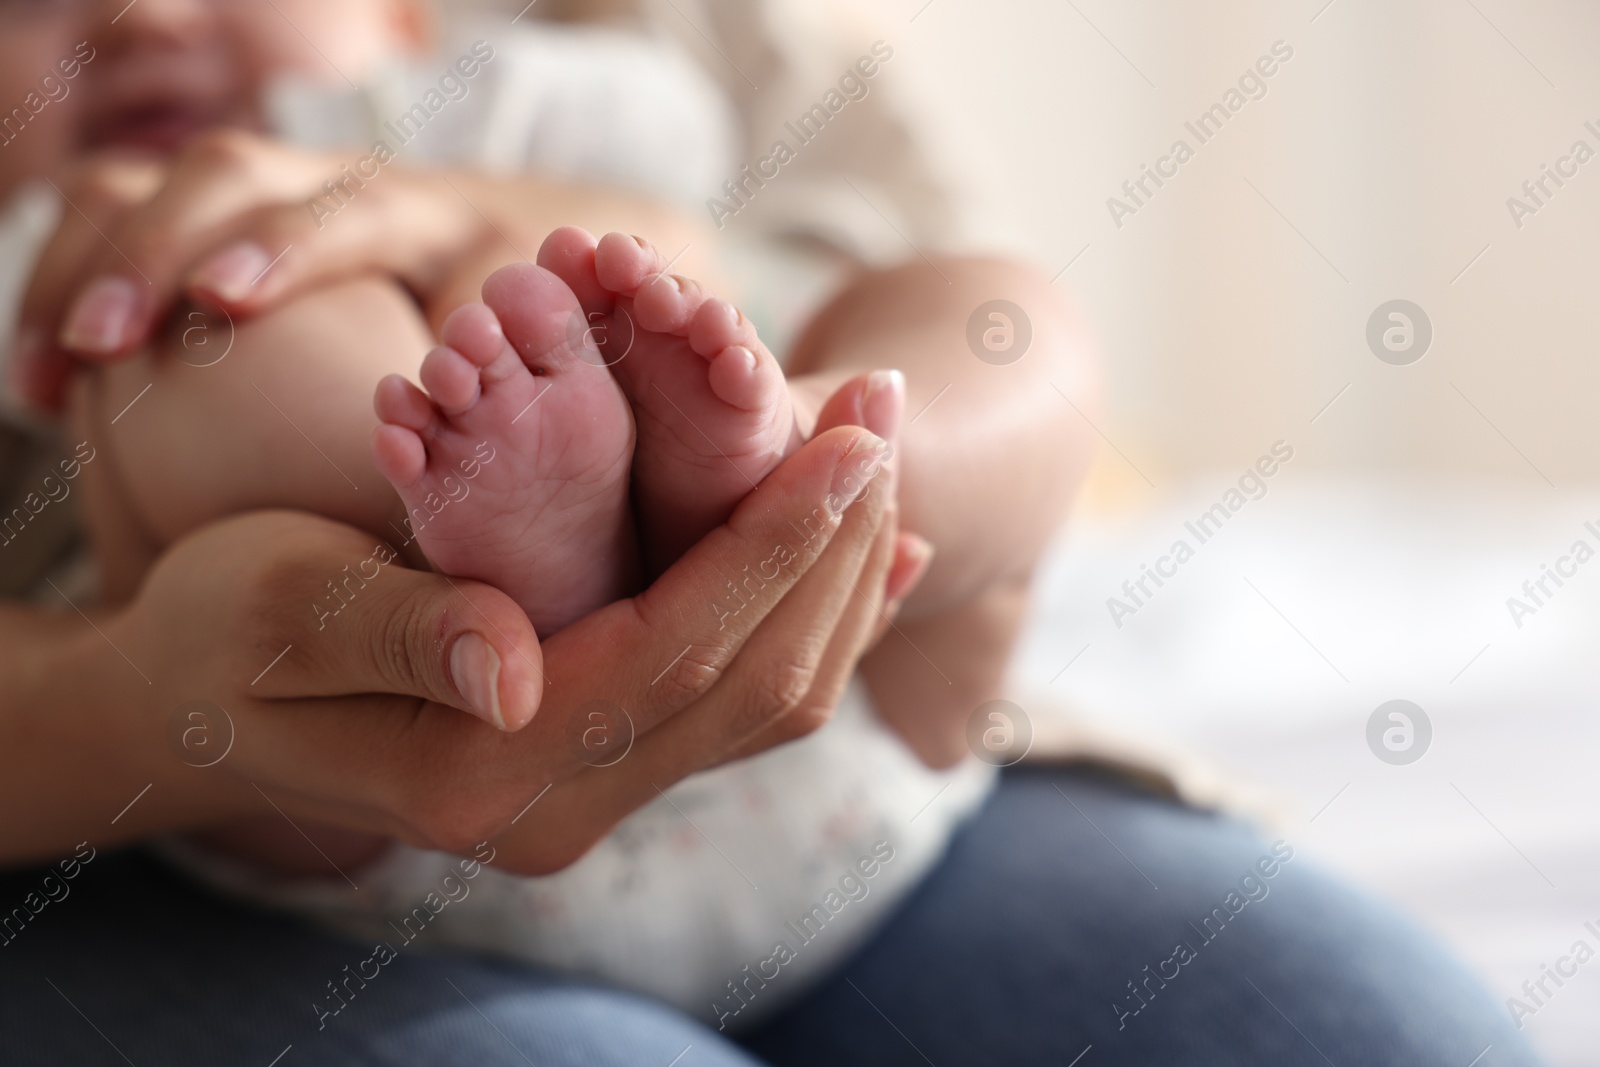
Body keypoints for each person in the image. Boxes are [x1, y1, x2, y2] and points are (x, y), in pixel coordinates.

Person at [0, 0, 1549, 1064]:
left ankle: (835, 490)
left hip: (836, 800)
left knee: (996, 316)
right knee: (217, 329)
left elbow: (874, 234)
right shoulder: (53, 255)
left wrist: (606, 237)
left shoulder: (524, 92)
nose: (139, 18)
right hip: (328, 834)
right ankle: (511, 557)